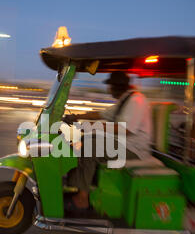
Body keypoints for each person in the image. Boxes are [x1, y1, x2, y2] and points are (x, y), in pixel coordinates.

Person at [63, 71, 152, 210]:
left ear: (116, 87)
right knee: (82, 140)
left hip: (134, 149)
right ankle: (76, 186)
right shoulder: (125, 100)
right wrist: (77, 117)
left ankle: (82, 199)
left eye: (110, 86)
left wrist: (90, 126)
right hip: (123, 144)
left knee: (90, 147)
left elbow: (125, 129)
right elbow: (101, 114)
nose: (108, 89)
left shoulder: (136, 100)